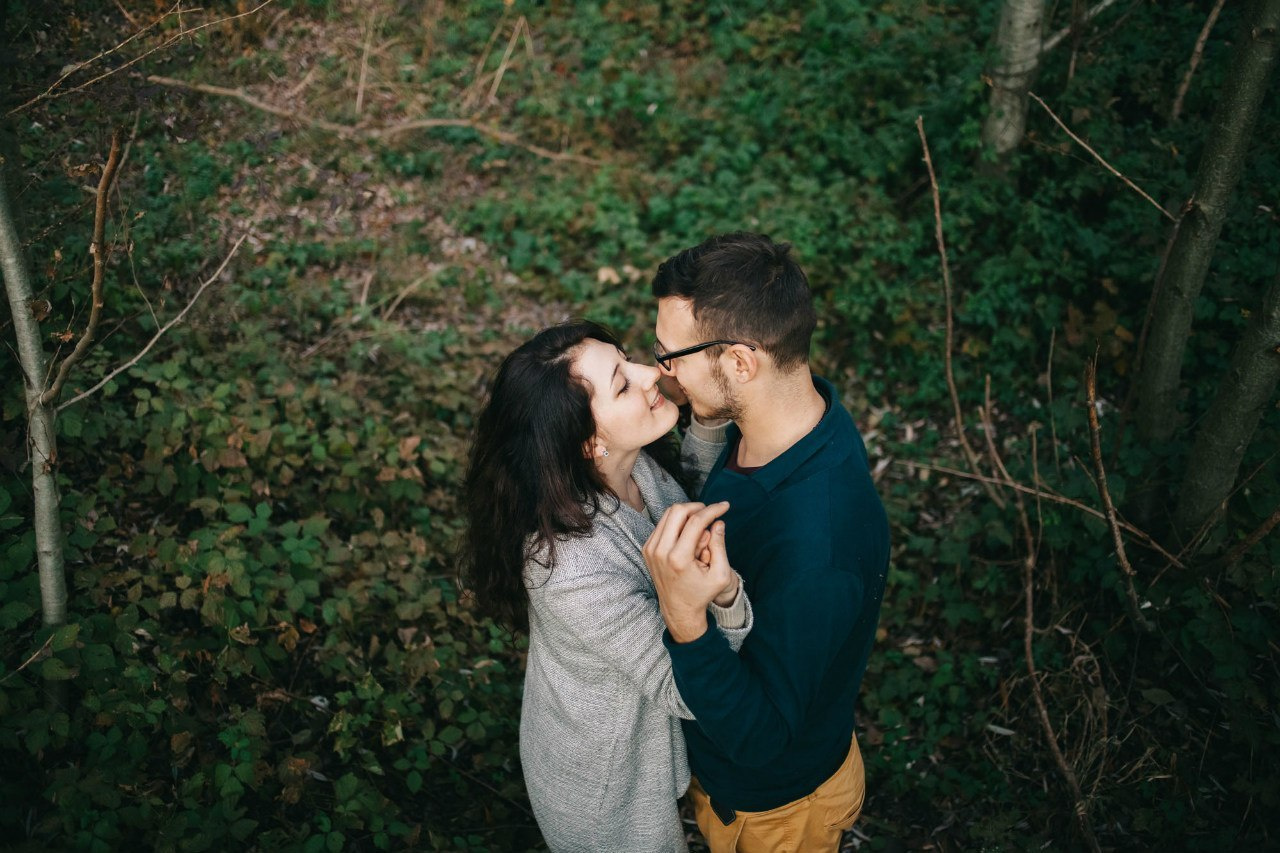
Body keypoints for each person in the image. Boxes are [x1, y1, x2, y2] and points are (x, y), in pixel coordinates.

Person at [460, 320, 754, 853]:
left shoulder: (629, 464)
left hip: (643, 744)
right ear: (589, 441)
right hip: (607, 787)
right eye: (622, 383)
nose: (650, 372)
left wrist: (706, 428)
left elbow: (679, 498)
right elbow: (691, 691)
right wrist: (728, 598)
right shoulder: (566, 570)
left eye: (626, 357)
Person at [642, 232, 890, 853]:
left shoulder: (819, 546)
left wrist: (685, 621)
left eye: (672, 355)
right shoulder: (787, 417)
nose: (660, 370)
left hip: (777, 812)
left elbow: (762, 739)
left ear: (741, 362)